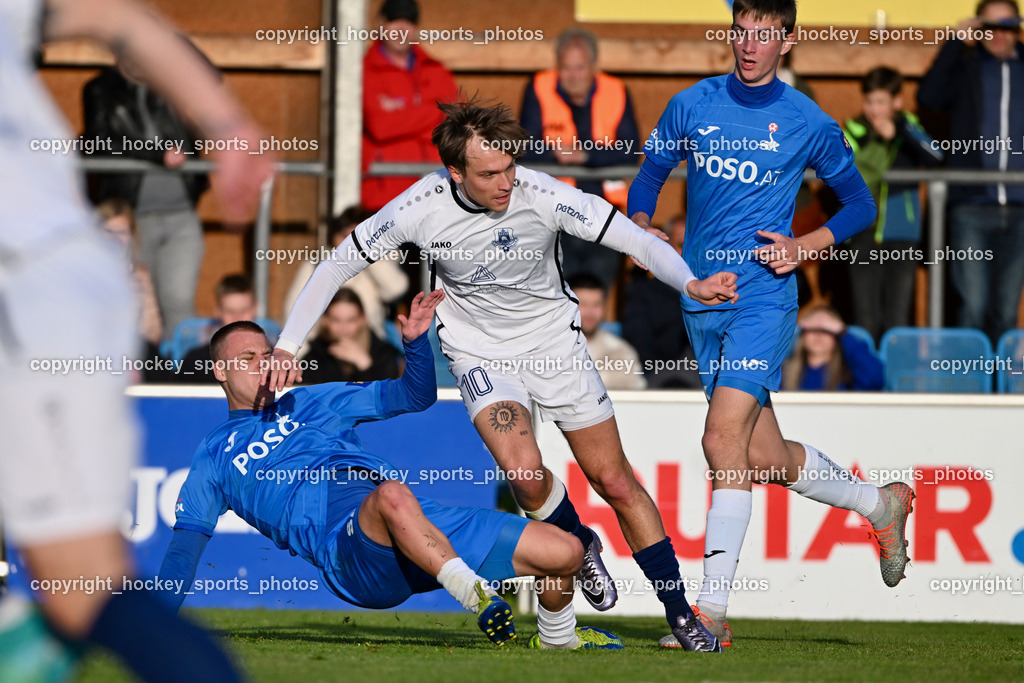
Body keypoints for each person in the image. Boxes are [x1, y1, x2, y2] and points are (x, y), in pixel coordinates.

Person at [268, 98, 741, 653]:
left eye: (510, 167)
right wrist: (285, 345)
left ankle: (680, 612)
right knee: (521, 471)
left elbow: (634, 239)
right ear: (454, 173)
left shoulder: (542, 193)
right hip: (479, 355)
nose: (506, 182)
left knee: (615, 482)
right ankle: (578, 540)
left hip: (555, 347)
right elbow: (337, 263)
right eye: (490, 174)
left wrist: (689, 284)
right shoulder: (419, 206)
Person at [627, 0, 914, 648]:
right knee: (764, 455)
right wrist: (644, 233)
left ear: (788, 41)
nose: (750, 45)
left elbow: (861, 203)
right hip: (702, 299)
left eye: (765, 34)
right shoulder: (693, 104)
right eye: (742, 31)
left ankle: (711, 612)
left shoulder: (806, 121)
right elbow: (647, 178)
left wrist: (803, 246)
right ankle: (880, 505)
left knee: (720, 439)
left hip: (765, 300)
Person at [0, 0, 272, 680]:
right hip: (67, 276)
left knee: (84, 587)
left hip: (31, 288)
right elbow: (121, 18)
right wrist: (227, 125)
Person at [158, 291, 624, 651]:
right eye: (246, 360)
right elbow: (183, 550)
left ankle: (558, 641)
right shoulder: (214, 455)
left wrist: (416, 345)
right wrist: (152, 627)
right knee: (391, 496)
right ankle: (477, 595)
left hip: (417, 522)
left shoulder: (313, 399)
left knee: (565, 552)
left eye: (267, 355)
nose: (262, 366)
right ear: (220, 372)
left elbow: (413, 396)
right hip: (354, 553)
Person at [83, 43, 213, 341]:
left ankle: (182, 377)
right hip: (133, 219)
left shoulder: (170, 85)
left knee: (179, 303)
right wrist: (156, 154)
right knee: (137, 305)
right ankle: (142, 376)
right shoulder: (100, 90)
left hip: (182, 214)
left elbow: (207, 80)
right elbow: (100, 144)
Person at [918, 0, 1024, 344]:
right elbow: (929, 97)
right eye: (987, 27)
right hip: (972, 206)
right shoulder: (966, 68)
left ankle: (1004, 394)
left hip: (1021, 209)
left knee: (1007, 310)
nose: (996, 35)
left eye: (1004, 26)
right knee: (974, 305)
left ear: (1017, 29)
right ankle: (969, 388)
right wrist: (953, 43)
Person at [520, 27, 641, 289]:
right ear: (557, 67)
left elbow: (631, 150)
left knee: (595, 293)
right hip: (553, 212)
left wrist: (584, 155)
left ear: (594, 67)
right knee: (556, 292)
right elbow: (524, 148)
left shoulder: (616, 90)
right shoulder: (539, 86)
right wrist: (556, 153)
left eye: (580, 68)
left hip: (604, 211)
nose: (573, 76)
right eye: (566, 68)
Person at [838, 67, 942, 342]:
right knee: (865, 316)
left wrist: (901, 131)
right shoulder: (854, 128)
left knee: (898, 316)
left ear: (897, 101)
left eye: (881, 102)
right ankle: (865, 381)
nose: (874, 109)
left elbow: (935, 155)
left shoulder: (908, 125)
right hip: (861, 232)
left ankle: (897, 381)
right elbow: (838, 165)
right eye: (869, 101)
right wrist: (871, 137)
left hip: (902, 231)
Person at [361, 0, 458, 211]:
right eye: (395, 22)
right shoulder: (365, 70)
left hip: (433, 196)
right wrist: (434, 113)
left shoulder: (436, 70)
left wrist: (401, 116)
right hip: (383, 196)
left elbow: (455, 123)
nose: (402, 30)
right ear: (380, 23)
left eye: (409, 23)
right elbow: (380, 126)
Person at [283, 205, 409, 340]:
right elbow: (294, 313)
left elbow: (396, 290)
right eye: (345, 235)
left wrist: (367, 252)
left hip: (369, 348)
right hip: (324, 347)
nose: (351, 242)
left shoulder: (381, 261)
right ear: (334, 236)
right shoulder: (317, 264)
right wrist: (305, 354)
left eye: (358, 236)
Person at [620, 214, 701, 389]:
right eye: (681, 245)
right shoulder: (645, 293)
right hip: (660, 381)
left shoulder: (718, 290)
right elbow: (639, 343)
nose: (687, 252)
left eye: (693, 246)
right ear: (666, 249)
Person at [97, 199, 164, 359]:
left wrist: (141, 295)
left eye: (122, 232)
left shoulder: (140, 274)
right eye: (109, 232)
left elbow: (154, 335)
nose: (115, 239)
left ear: (132, 236)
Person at [298, 289, 403, 384]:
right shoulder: (313, 358)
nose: (343, 328)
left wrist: (364, 364)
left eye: (351, 320)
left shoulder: (385, 354)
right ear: (325, 320)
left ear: (363, 319)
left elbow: (384, 398)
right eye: (336, 320)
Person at [567, 273, 646, 390]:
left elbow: (641, 398)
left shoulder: (622, 351)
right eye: (583, 304)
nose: (590, 312)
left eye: (596, 304)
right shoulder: (548, 350)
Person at [178, 274, 260, 384]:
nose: (237, 319)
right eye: (230, 311)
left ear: (255, 308)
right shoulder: (195, 362)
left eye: (244, 310)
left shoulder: (274, 362)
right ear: (218, 311)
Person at [781, 306, 884, 391]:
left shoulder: (848, 374)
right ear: (802, 336)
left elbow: (875, 380)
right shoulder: (784, 373)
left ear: (837, 337)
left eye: (826, 330)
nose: (818, 335)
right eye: (813, 329)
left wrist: (843, 333)